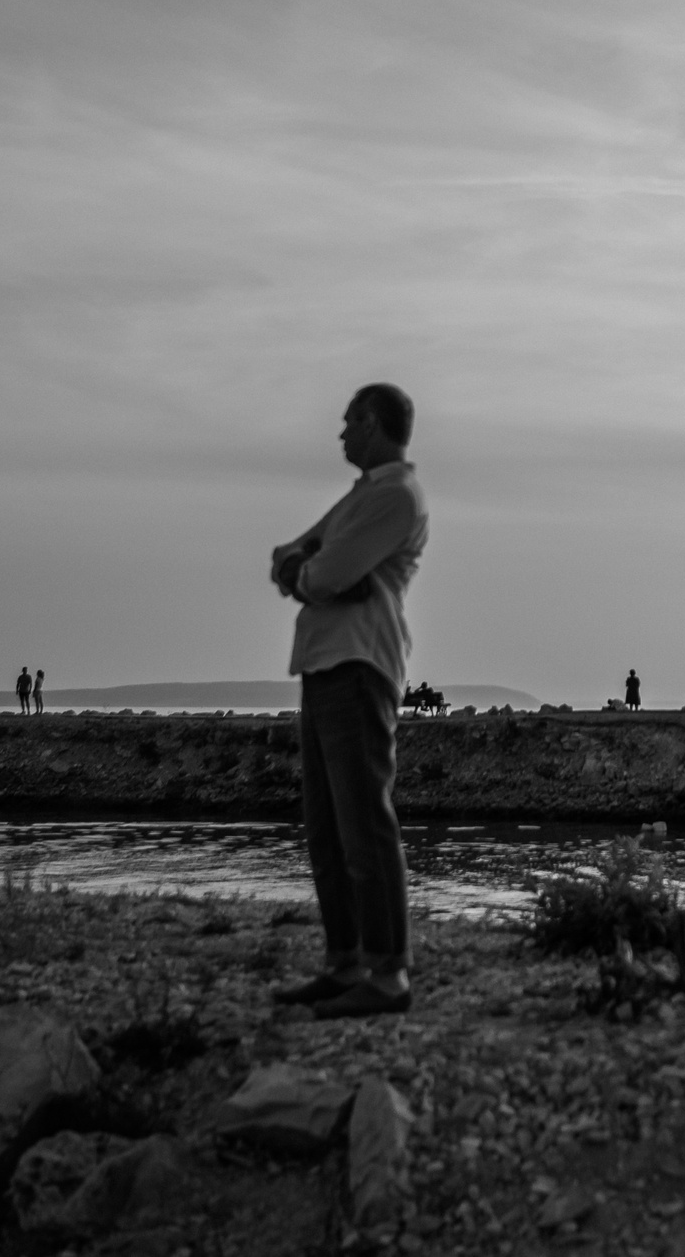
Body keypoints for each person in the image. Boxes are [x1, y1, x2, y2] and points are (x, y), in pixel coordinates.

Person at [268, 383, 429, 1020]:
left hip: (360, 664)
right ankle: (345, 962)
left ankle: (388, 973)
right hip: (328, 662)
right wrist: (313, 570)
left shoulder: (393, 495)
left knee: (363, 821)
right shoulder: (362, 498)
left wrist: (313, 574)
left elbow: (320, 571)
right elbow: (294, 556)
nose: (339, 432)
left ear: (374, 423)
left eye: (348, 421)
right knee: (328, 825)